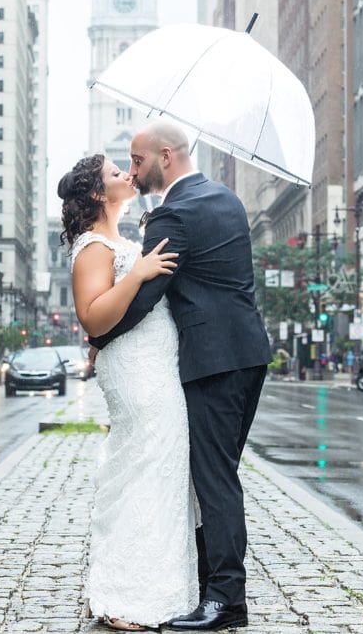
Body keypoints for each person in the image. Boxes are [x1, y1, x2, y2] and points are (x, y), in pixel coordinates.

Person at [91, 121, 272, 632]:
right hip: (247, 354)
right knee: (218, 475)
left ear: (165, 156)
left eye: (137, 159)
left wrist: (99, 338)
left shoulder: (176, 212)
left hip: (212, 360)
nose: (132, 169)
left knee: (214, 479)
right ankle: (206, 580)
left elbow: (146, 296)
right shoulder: (226, 199)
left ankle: (225, 600)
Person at [60, 154, 198, 631]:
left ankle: (151, 586)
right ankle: (121, 596)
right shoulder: (94, 246)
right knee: (142, 466)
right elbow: (93, 316)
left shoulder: (123, 239)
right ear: (99, 194)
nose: (128, 175)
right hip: (136, 372)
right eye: (117, 173)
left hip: (158, 363)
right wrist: (138, 273)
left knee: (161, 467)